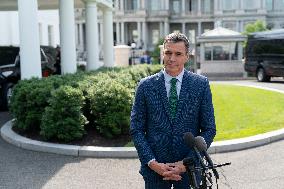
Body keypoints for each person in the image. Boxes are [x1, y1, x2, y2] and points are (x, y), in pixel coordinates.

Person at [130, 32, 216, 189]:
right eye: (168, 53)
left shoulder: (201, 84)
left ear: (186, 57)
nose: (172, 59)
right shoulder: (145, 86)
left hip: (188, 172)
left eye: (178, 54)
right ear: (163, 54)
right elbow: (136, 130)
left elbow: (209, 129)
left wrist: (185, 164)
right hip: (154, 172)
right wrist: (153, 163)